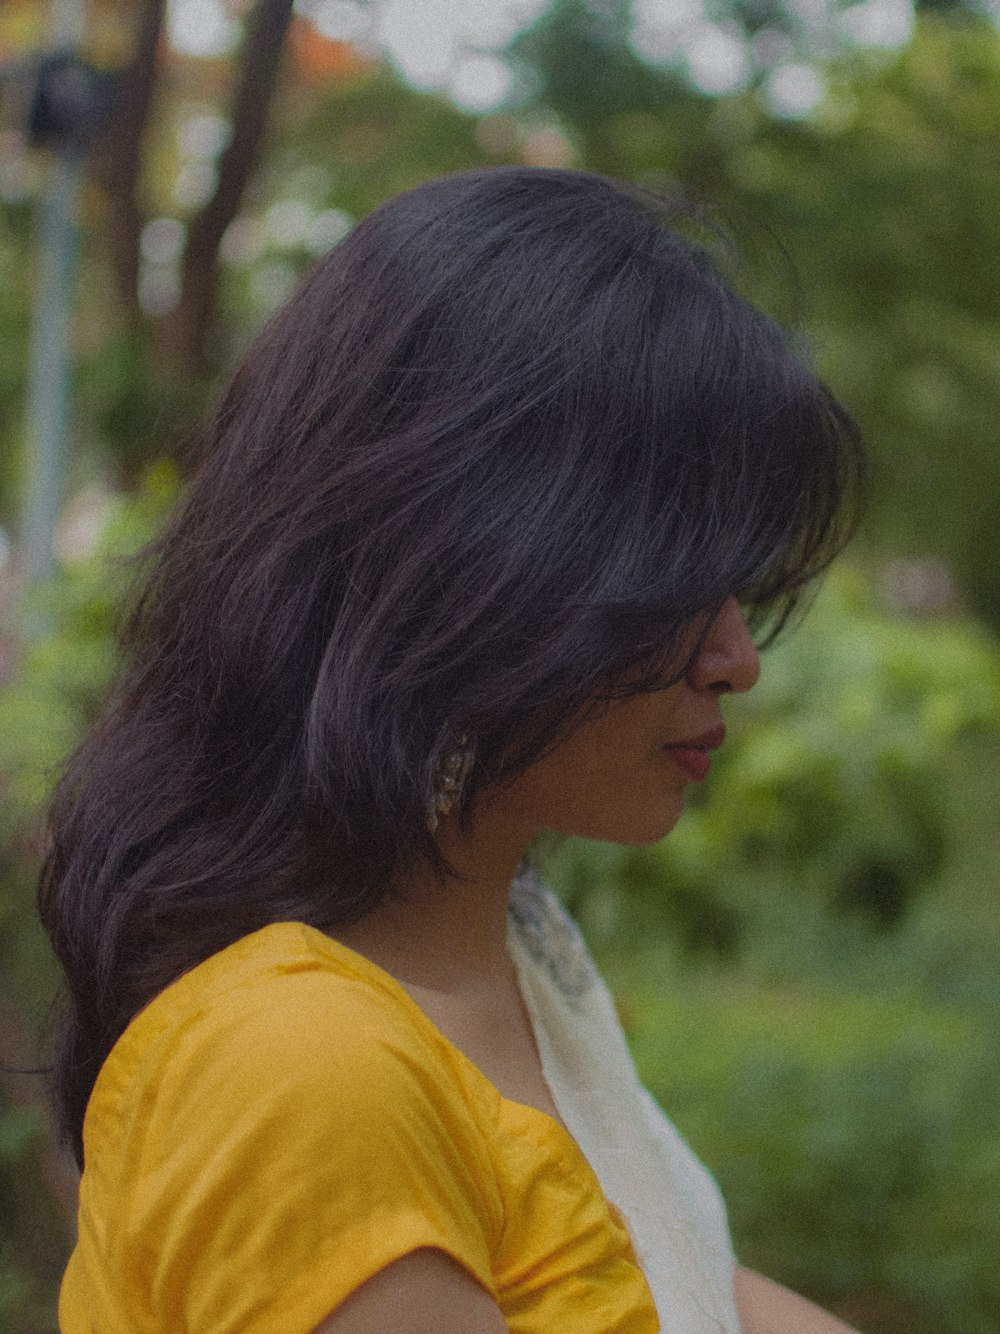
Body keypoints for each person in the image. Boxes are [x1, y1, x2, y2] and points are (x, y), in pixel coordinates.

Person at [41, 165, 865, 1332]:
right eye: (679, 581)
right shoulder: (307, 1066)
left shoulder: (515, 952)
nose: (738, 655)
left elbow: (680, 1273)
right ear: (471, 562)